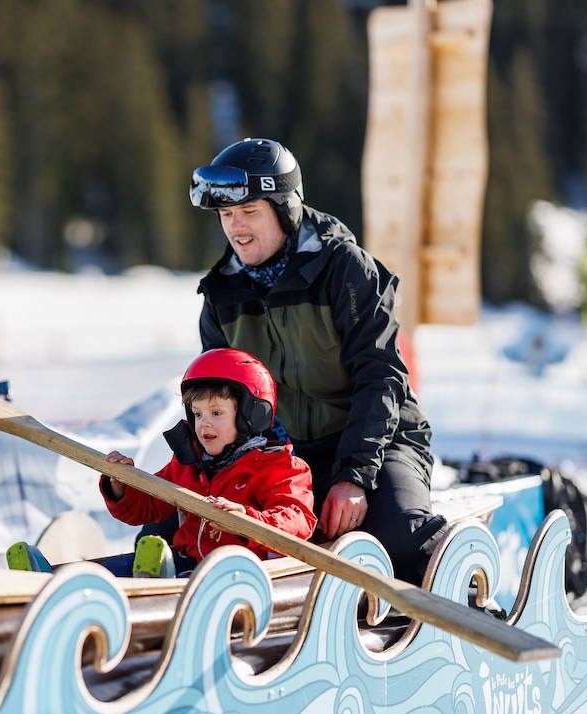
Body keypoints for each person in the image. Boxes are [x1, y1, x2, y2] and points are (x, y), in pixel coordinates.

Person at [189, 137, 447, 585]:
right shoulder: (221, 295)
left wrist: (353, 476)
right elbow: (215, 402)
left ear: (285, 210)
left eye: (249, 212)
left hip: (379, 443)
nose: (236, 228)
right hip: (289, 458)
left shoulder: (344, 269)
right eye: (227, 215)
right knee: (193, 527)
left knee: (397, 535)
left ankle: (458, 600)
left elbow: (381, 377)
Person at [8, 348, 317, 578]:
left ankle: (140, 584)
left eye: (217, 413)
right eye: (197, 414)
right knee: (120, 567)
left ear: (253, 415)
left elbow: (298, 519)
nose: (204, 424)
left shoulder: (281, 468)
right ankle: (50, 579)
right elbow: (149, 508)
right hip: (186, 562)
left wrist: (248, 520)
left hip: (241, 575)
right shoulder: (188, 463)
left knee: (171, 576)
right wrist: (123, 485)